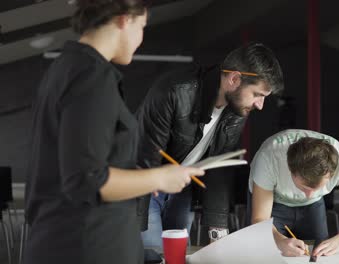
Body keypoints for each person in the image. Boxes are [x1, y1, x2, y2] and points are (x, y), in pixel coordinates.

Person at [24, 1, 204, 264]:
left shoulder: (66, 68)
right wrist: (158, 177)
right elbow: (86, 180)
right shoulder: (90, 76)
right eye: (141, 27)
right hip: (85, 248)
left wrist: (138, 178)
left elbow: (83, 164)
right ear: (124, 19)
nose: (141, 38)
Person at [137, 43, 284, 258]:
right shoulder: (174, 91)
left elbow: (219, 171)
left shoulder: (236, 111)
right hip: (149, 185)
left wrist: (218, 234)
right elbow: (144, 155)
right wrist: (133, 223)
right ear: (234, 79)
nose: (260, 105)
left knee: (176, 256)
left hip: (182, 188)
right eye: (257, 94)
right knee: (152, 254)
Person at [249, 129, 339, 257]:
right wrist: (279, 241)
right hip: (272, 202)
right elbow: (260, 219)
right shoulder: (270, 157)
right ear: (290, 169)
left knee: (319, 255)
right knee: (263, 253)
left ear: (332, 173)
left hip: (313, 205)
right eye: (304, 188)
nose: (308, 194)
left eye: (316, 188)